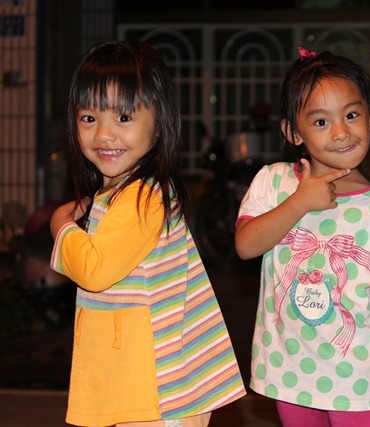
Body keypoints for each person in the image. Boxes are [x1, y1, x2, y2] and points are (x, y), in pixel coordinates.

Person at [49, 41, 245, 427]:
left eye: (123, 117)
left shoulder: (143, 197)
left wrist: (61, 225)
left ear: (159, 123)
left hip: (159, 392)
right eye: (88, 117)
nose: (103, 133)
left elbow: (93, 270)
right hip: (143, 388)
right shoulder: (122, 194)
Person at [234, 49, 370, 427]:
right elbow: (246, 246)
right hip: (289, 368)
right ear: (293, 132)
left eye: (351, 115)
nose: (341, 132)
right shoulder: (274, 182)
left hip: (356, 375)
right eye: (320, 121)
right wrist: (300, 202)